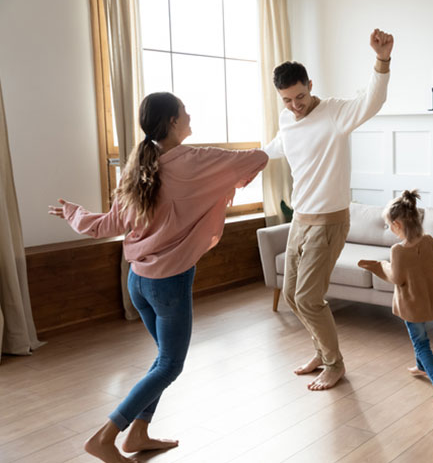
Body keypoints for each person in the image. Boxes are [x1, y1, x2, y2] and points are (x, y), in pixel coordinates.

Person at [48, 92, 268, 463]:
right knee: (170, 364)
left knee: (162, 361)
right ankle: (105, 437)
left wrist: (74, 213)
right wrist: (217, 178)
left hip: (137, 282)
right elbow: (258, 158)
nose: (189, 114)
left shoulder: (136, 167)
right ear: (171, 122)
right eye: (184, 111)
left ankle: (138, 434)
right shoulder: (196, 160)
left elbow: (106, 225)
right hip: (169, 284)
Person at [263, 28, 394, 390]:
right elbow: (278, 145)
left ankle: (334, 364)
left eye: (300, 96)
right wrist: (244, 165)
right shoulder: (288, 118)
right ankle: (322, 353)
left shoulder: (336, 113)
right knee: (291, 294)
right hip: (300, 221)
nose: (295, 105)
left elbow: (373, 101)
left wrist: (382, 60)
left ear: (310, 84)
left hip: (330, 221)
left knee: (307, 296)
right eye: (287, 100)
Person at [358, 190, 433, 406]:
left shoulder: (397, 251)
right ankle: (421, 367)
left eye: (389, 225)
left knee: (420, 342)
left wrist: (378, 265)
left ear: (397, 225)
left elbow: (396, 278)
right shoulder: (429, 240)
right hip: (428, 300)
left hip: (412, 306)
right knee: (418, 337)